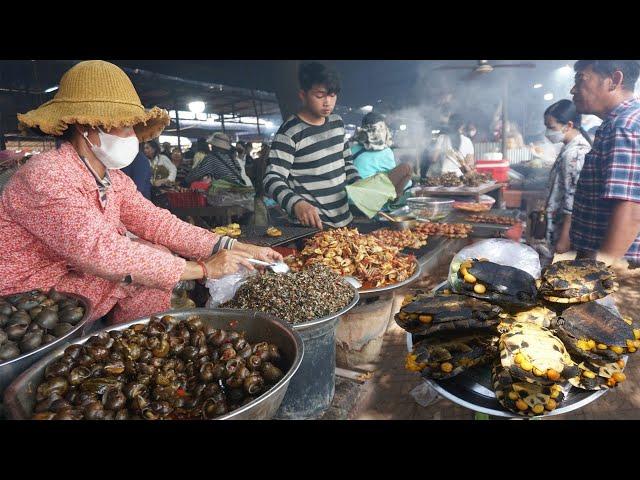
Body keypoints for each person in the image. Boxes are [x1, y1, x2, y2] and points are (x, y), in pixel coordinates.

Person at [0, 60, 281, 325]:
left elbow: (159, 223)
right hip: (27, 300)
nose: (133, 135)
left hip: (69, 283)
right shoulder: (47, 174)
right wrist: (204, 269)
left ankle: (129, 348)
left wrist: (238, 248)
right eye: (124, 125)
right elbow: (103, 252)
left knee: (154, 252)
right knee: (147, 266)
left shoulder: (111, 178)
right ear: (86, 127)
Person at [264, 61, 361, 229]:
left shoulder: (337, 123)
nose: (327, 102)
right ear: (303, 95)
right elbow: (271, 179)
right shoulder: (290, 132)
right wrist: (297, 204)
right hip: (313, 229)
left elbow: (347, 164)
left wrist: (360, 185)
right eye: (320, 95)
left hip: (345, 221)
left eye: (332, 95)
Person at [569, 60, 640, 266]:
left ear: (614, 80)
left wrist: (599, 275)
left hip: (617, 268)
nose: (573, 89)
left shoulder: (625, 126)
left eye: (581, 79)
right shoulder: (617, 123)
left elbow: (631, 211)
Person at [541, 99, 592, 259]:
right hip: (558, 224)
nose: (547, 132)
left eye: (551, 127)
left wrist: (565, 238)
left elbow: (573, 201)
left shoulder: (575, 154)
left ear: (568, 125)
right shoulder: (568, 148)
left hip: (565, 229)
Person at [351, 112, 412, 196]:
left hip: (352, 194)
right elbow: (395, 179)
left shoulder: (353, 148)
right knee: (407, 168)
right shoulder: (385, 151)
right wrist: (410, 184)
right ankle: (391, 203)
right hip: (369, 197)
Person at [184, 132, 251, 187]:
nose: (211, 147)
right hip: (239, 189)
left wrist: (184, 182)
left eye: (212, 145)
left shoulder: (212, 158)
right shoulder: (232, 158)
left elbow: (197, 173)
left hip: (227, 194)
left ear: (215, 146)